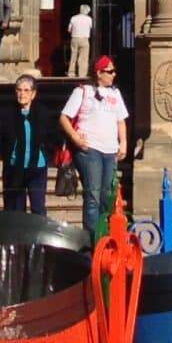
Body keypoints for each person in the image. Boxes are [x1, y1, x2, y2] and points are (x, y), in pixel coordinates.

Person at [60, 53, 129, 234]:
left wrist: (123, 143)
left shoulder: (115, 93)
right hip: (90, 149)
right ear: (99, 73)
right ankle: (92, 237)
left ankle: (104, 231)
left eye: (114, 71)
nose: (113, 74)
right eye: (109, 71)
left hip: (110, 150)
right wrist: (76, 138)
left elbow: (120, 120)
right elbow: (64, 117)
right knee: (93, 193)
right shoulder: (83, 91)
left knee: (107, 194)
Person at [0, 72, 54, 215]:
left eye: (26, 90)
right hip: (15, 166)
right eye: (19, 90)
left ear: (33, 94)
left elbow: (52, 136)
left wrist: (49, 153)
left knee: (38, 207)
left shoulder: (42, 113)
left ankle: (37, 236)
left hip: (36, 167)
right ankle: (16, 236)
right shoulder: (8, 113)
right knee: (15, 209)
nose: (22, 94)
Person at [67, 2, 94, 79]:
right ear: (87, 11)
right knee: (83, 58)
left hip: (74, 38)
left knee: (73, 56)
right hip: (84, 39)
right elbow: (92, 28)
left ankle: (71, 73)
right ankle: (82, 74)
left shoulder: (73, 18)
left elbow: (69, 29)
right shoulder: (89, 19)